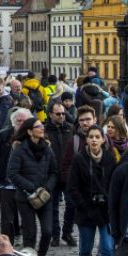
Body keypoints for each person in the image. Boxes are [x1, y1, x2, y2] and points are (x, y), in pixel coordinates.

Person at [7, 117, 58, 256]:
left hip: (45, 197)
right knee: (30, 234)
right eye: (38, 126)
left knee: (47, 231)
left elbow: (53, 172)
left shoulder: (47, 149)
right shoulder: (20, 150)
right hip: (25, 198)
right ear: (29, 131)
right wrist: (31, 188)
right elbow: (12, 173)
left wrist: (47, 188)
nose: (42, 128)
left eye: (42, 126)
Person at [69, 125, 117, 256]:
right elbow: (73, 187)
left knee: (108, 247)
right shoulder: (79, 158)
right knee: (85, 248)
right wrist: (83, 205)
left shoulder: (110, 158)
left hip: (105, 211)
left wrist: (110, 201)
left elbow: (114, 183)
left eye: (97, 137)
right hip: (86, 211)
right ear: (86, 140)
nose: (94, 140)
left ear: (103, 139)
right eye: (91, 137)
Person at [0, 108, 31, 245]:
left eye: (24, 121)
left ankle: (28, 248)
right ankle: (6, 247)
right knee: (7, 219)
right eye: (19, 121)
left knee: (27, 219)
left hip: (26, 184)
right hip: (6, 183)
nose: (21, 124)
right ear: (13, 122)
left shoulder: (33, 136)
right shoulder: (4, 135)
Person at [45, 102, 76, 247]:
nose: (62, 116)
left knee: (72, 204)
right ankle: (55, 235)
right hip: (51, 174)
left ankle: (67, 232)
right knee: (53, 206)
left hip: (68, 173)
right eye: (58, 113)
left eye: (63, 113)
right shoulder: (45, 130)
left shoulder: (70, 129)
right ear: (51, 114)